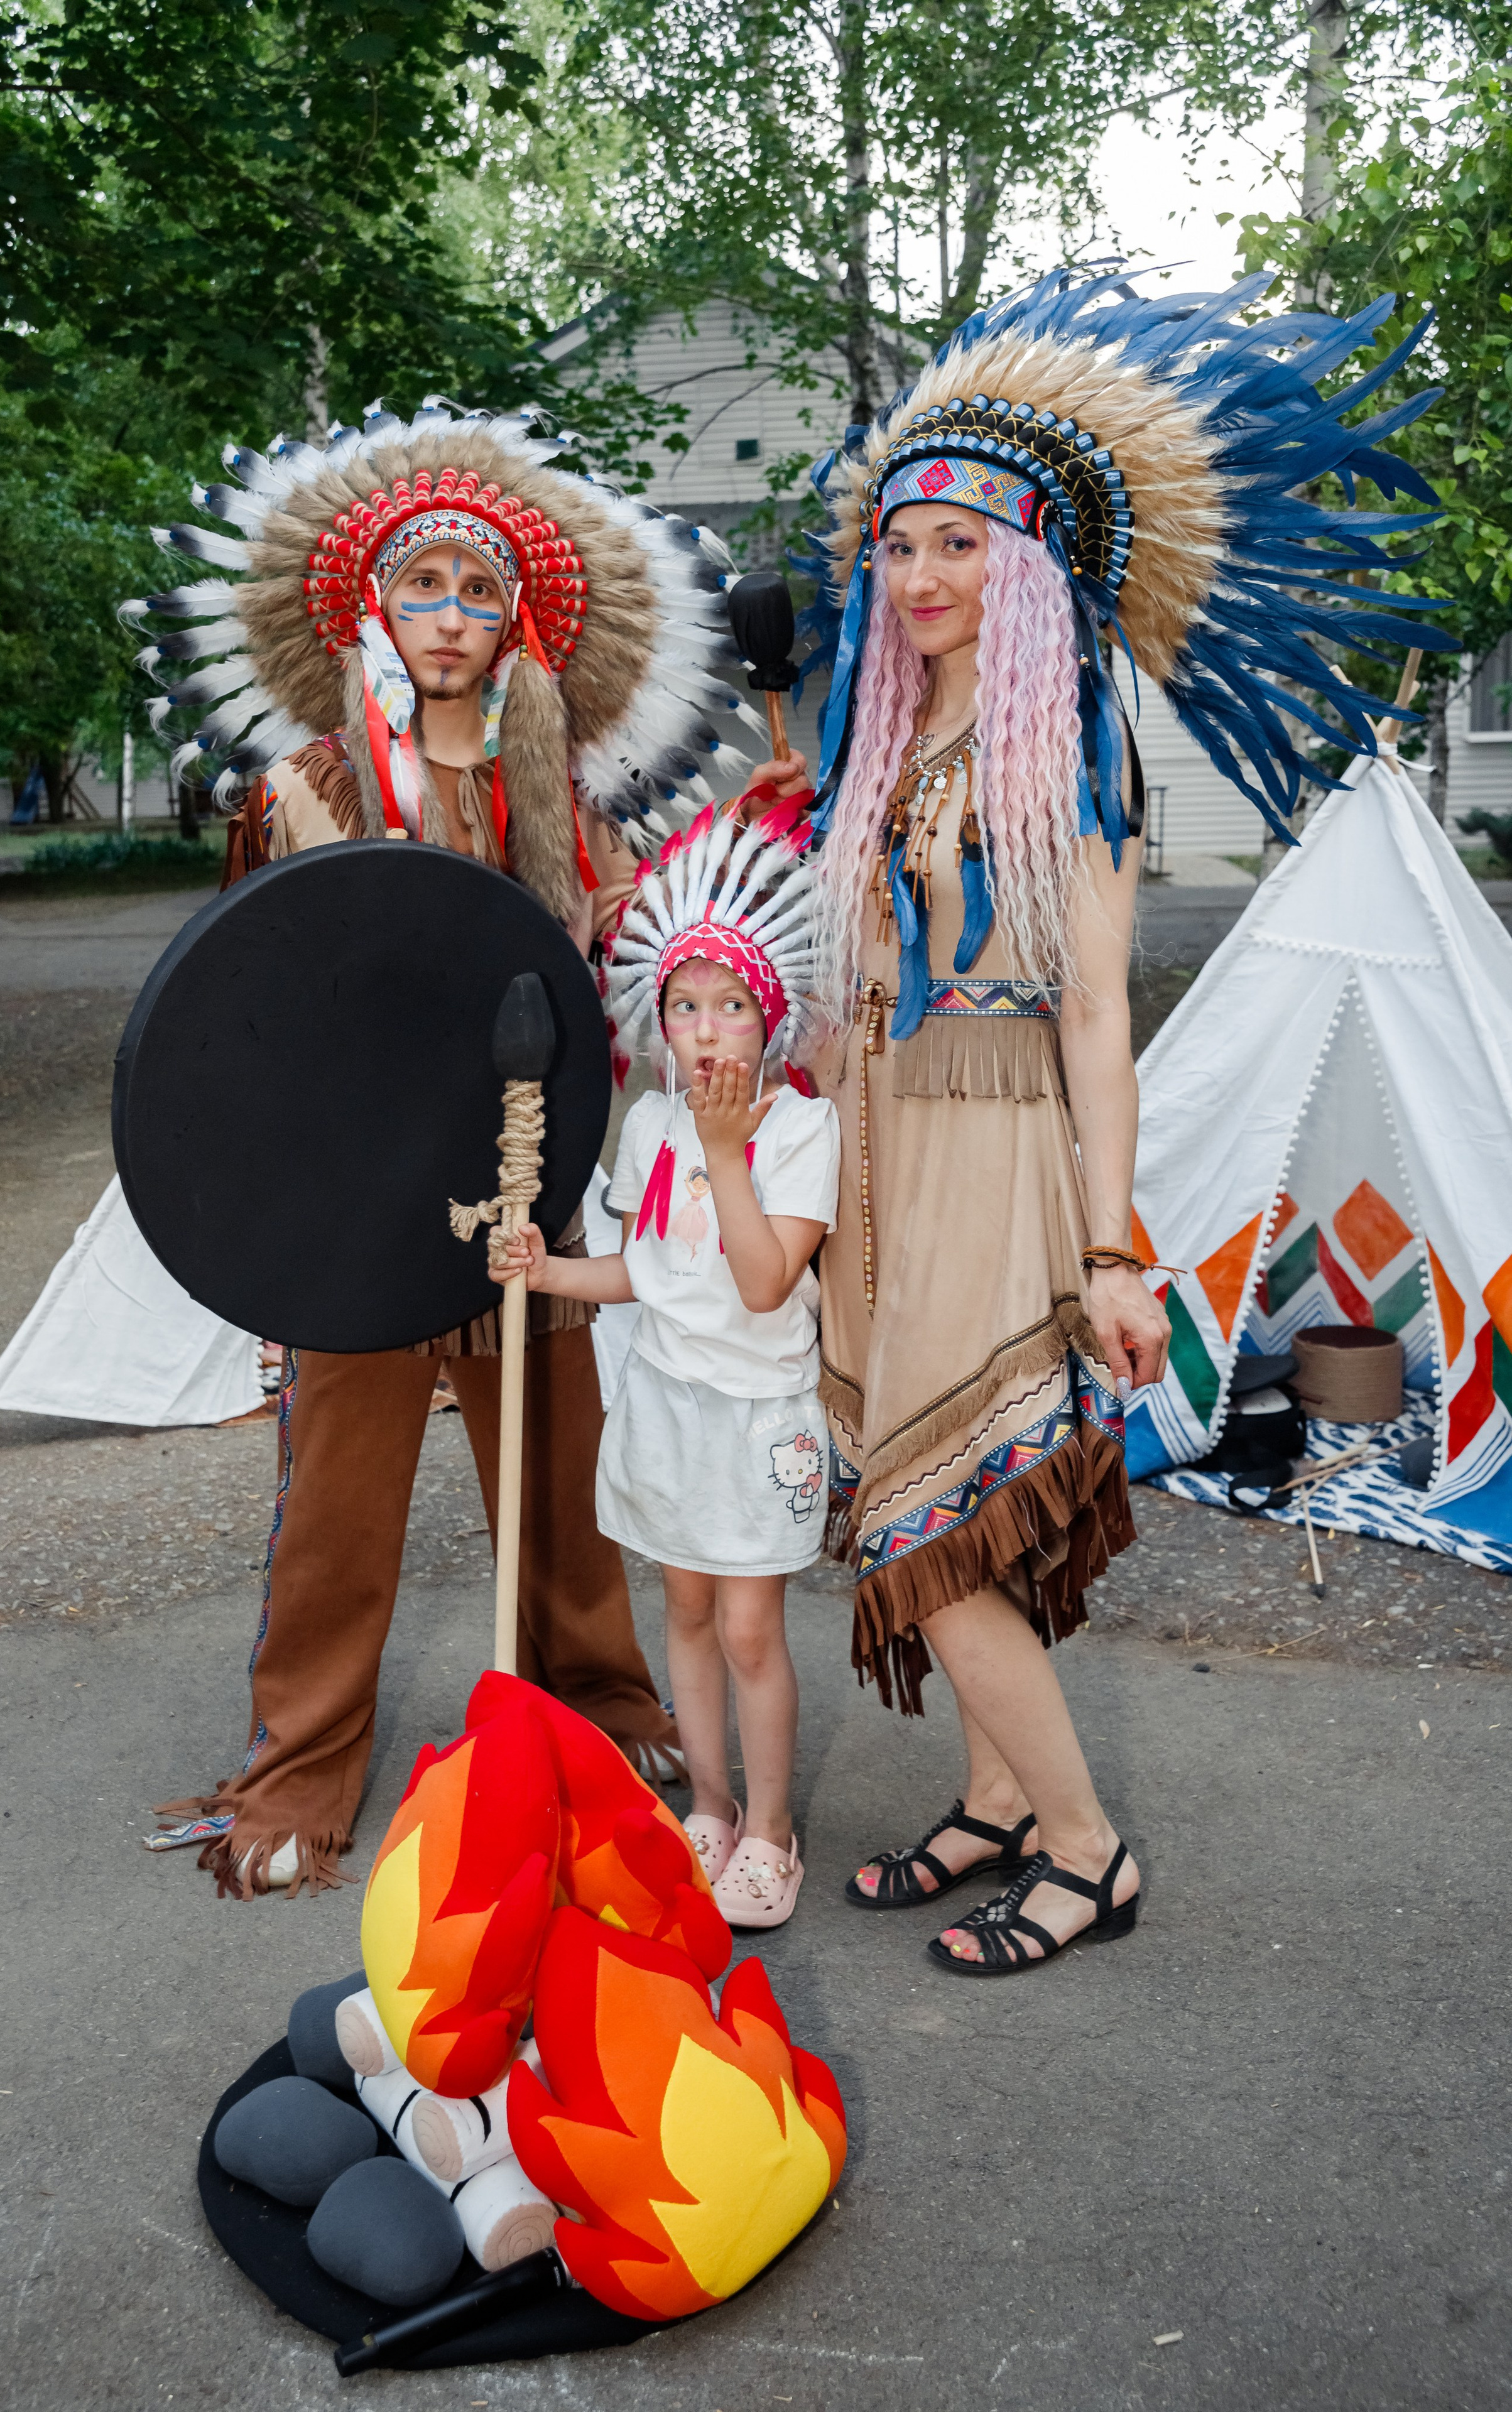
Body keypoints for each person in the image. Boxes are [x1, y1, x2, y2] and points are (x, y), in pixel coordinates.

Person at [797, 264, 1451, 1976]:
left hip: (998, 1158)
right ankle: (1000, 1794)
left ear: (1028, 567)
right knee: (936, 1493)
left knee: (933, 1529)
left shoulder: (1071, 744)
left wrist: (1109, 1243)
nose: (924, 575)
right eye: (903, 541)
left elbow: (1096, 1017)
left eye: (964, 546)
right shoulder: (881, 738)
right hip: (881, 1154)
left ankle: (1087, 1849)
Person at [128, 398, 806, 1896]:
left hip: (520, 1190)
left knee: (561, 1480)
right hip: (355, 1203)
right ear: (372, 600)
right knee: (337, 1502)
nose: (449, 617)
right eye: (423, 586)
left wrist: (737, 846)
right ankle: (299, 1774)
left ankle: (606, 1718)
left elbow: (643, 957)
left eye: (480, 591)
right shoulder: (302, 781)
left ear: (516, 625)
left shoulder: (556, 799)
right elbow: (250, 1013)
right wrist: (305, 855)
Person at [492, 800, 839, 1928]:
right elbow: (646, 1276)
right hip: (667, 1412)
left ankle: (775, 1833)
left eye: (730, 1007)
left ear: (769, 1017)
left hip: (756, 1417)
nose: (704, 1032)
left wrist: (731, 1156)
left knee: (749, 1630)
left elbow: (759, 1282)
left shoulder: (796, 1131)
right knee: (685, 1618)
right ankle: (710, 1805)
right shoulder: (648, 1128)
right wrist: (547, 1273)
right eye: (683, 1006)